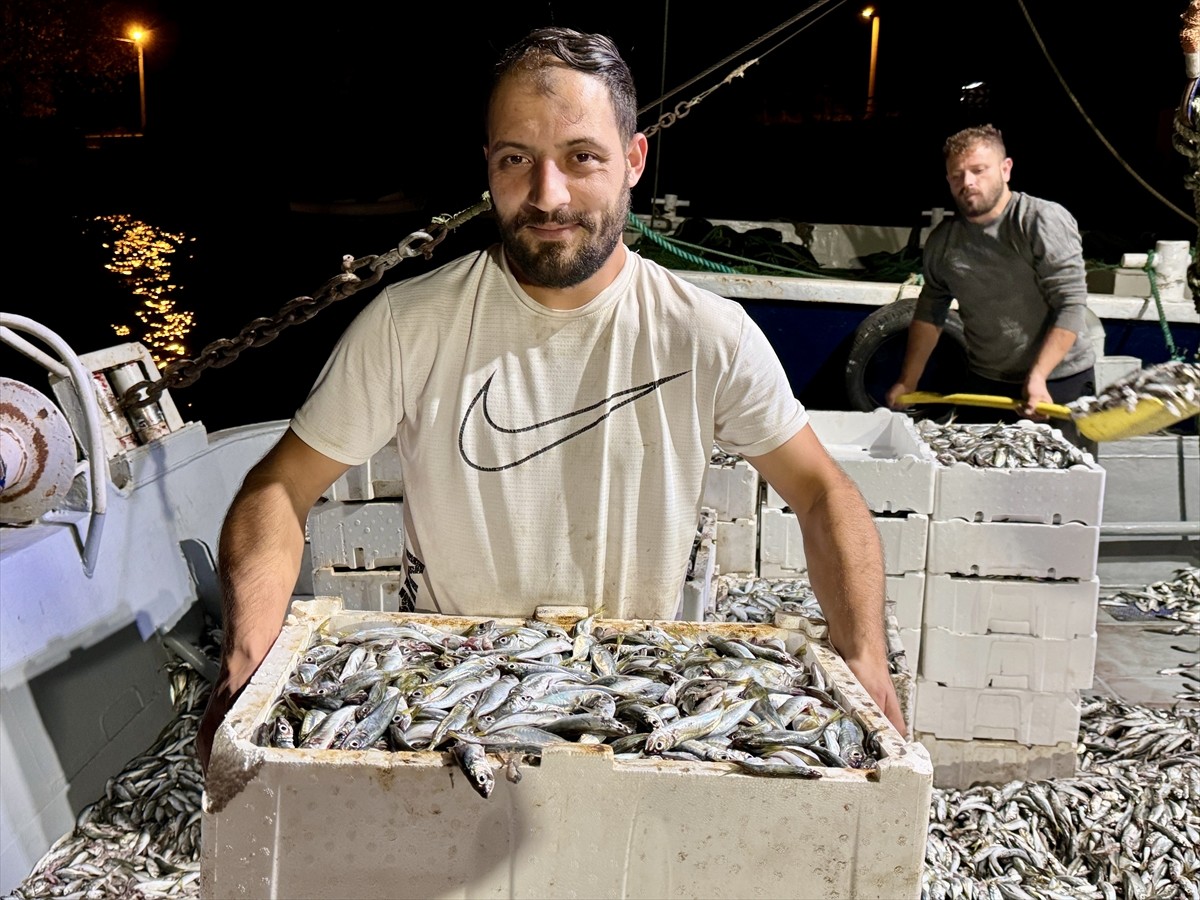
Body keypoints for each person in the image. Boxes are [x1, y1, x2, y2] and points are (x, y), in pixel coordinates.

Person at [197, 26, 904, 772]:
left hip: (634, 702)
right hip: (451, 708)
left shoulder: (706, 334)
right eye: (516, 161)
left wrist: (866, 655)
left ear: (633, 160)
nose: (547, 195)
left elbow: (824, 494)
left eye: (582, 157)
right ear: (488, 168)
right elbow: (277, 489)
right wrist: (247, 654)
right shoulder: (410, 324)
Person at [885, 125, 1096, 437]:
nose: (968, 182)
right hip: (986, 384)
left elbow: (1071, 303)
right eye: (957, 175)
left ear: (1005, 169)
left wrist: (1038, 377)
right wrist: (908, 379)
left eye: (978, 170)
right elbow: (931, 312)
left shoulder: (1040, 220)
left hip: (1060, 381)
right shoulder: (943, 241)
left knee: (1062, 482)